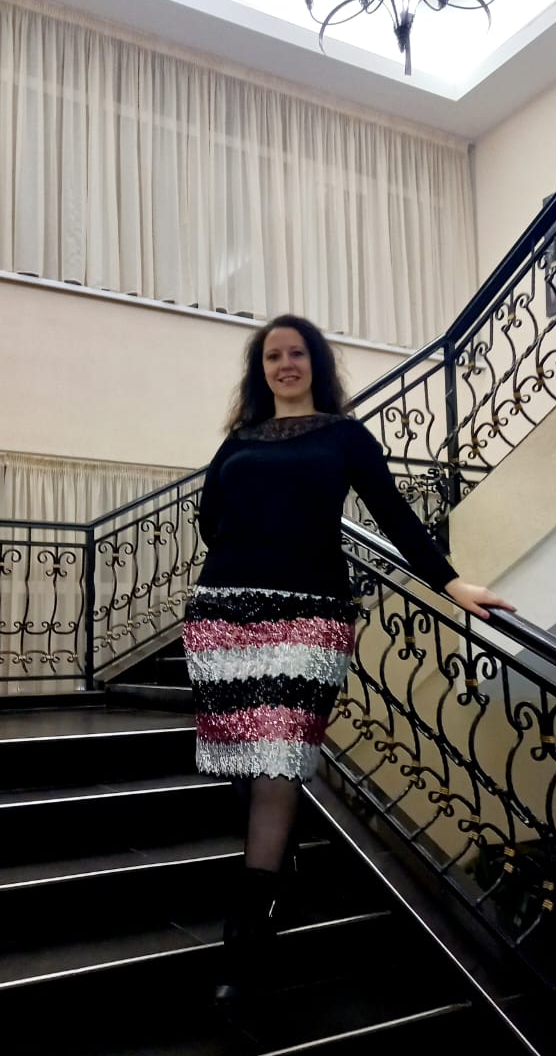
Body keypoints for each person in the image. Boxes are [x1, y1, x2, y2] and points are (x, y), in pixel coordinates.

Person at [183, 314, 514, 1000]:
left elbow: (393, 513)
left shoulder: (344, 437)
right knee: (246, 762)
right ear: (261, 370)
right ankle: (279, 868)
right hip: (227, 612)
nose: (285, 364)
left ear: (316, 363)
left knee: (278, 760)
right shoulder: (238, 440)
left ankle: (247, 935)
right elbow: (211, 518)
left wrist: (450, 585)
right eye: (272, 356)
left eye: (296, 353)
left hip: (311, 615)